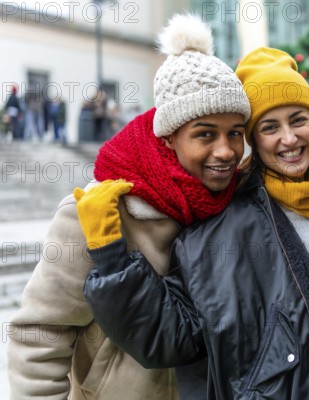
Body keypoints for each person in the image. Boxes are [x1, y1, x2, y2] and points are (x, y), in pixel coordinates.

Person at [79, 47, 309, 399]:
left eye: (298, 119)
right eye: (269, 127)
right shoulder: (221, 231)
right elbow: (170, 337)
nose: (289, 138)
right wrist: (111, 257)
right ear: (253, 141)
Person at [7, 14, 251, 400]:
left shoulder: (233, 205)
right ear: (169, 137)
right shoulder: (97, 211)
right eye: (205, 134)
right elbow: (39, 335)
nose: (225, 151)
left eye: (235, 133)